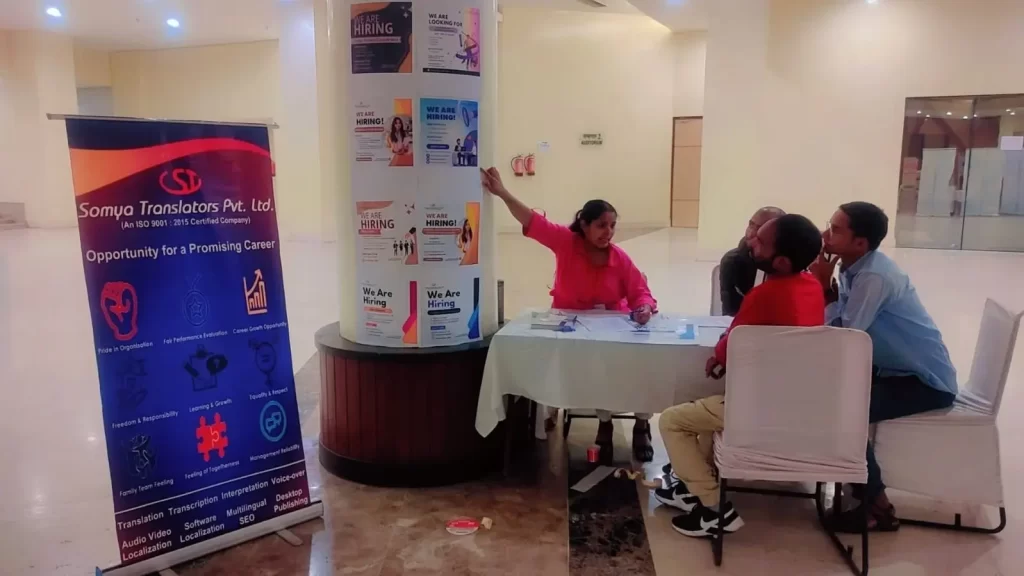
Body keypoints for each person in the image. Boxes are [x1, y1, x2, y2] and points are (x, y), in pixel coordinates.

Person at [655, 214, 825, 537]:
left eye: (761, 242)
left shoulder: (765, 294)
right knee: (704, 414)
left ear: (782, 262)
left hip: (762, 405)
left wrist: (718, 358)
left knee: (672, 421)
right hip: (797, 399)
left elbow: (733, 339)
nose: (751, 242)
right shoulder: (812, 286)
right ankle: (691, 489)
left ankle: (713, 509)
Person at [480, 166, 659, 461]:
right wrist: (502, 193)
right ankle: (603, 423)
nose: (609, 232)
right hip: (570, 330)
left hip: (612, 333)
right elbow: (532, 221)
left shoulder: (620, 258)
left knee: (638, 363)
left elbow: (640, 292)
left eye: (612, 226)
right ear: (584, 225)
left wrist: (644, 308)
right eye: (602, 225)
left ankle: (642, 425)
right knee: (592, 369)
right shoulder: (565, 242)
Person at [810, 201, 957, 532]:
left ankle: (877, 507)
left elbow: (848, 334)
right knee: (828, 397)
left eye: (835, 230)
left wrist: (822, 286)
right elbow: (842, 323)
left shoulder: (873, 276)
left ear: (860, 243)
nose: (825, 235)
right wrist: (827, 285)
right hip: (890, 370)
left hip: (924, 381)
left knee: (845, 414)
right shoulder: (853, 268)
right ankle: (855, 487)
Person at [719, 207, 786, 316]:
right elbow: (731, 313)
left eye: (760, 228)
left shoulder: (795, 264)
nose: (750, 233)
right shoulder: (733, 261)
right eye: (751, 225)